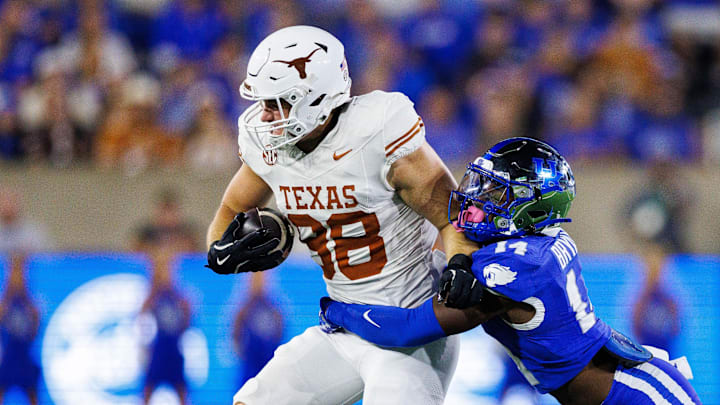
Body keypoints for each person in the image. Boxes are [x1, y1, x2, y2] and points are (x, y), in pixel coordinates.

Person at [205, 25, 477, 405]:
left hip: (409, 331)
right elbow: (232, 208)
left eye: (275, 103)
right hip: (344, 326)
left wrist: (460, 262)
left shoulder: (375, 132)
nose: (263, 116)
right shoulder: (272, 147)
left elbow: (452, 215)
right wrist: (217, 249)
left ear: (313, 97)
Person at [320, 137, 701, 404]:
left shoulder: (515, 269)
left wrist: (336, 309)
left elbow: (409, 328)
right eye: (480, 185)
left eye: (494, 193)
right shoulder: (542, 239)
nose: (475, 198)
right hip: (623, 385)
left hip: (637, 396)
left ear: (529, 207)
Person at [140, 248, 192, 405]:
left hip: (174, 349)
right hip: (158, 348)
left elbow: (187, 316)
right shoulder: (154, 295)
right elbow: (142, 315)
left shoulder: (178, 296)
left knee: (181, 389)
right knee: (148, 389)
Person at [0, 255, 41, 405]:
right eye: (13, 273)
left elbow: (35, 330)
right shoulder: (5, 304)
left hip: (25, 358)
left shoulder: (31, 306)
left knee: (32, 395)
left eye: (20, 273)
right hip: (8, 359)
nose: (17, 278)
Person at [232, 272, 284, 387]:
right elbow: (235, 333)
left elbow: (280, 332)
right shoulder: (244, 309)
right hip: (250, 362)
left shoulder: (273, 309)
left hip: (268, 360)